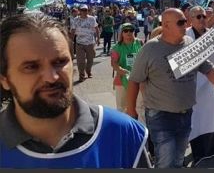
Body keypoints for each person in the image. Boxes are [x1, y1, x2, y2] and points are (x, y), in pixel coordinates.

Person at [0, 13, 151, 168]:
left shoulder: (123, 133)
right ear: (4, 78)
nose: (51, 77)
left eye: (60, 62)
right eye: (31, 67)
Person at [125, 8, 214, 168]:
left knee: (178, 159)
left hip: (186, 114)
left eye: (185, 21)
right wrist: (131, 110)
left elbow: (207, 68)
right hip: (160, 115)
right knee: (166, 161)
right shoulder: (150, 49)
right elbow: (134, 80)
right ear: (165, 25)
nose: (185, 24)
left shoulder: (189, 43)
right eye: (180, 22)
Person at [111, 23, 143, 112]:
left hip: (138, 79)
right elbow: (114, 64)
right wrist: (121, 70)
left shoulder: (139, 42)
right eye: (125, 31)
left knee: (138, 106)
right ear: (122, 33)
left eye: (131, 30)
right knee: (122, 107)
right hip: (122, 80)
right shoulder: (117, 47)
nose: (128, 33)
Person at [70, 5, 100, 82]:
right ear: (79, 11)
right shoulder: (76, 20)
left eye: (86, 10)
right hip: (79, 43)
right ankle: (81, 75)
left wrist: (98, 39)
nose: (84, 11)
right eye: (83, 10)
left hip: (90, 43)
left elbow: (96, 29)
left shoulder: (92, 19)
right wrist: (71, 41)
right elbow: (73, 31)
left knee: (90, 59)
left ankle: (88, 70)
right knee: (81, 61)